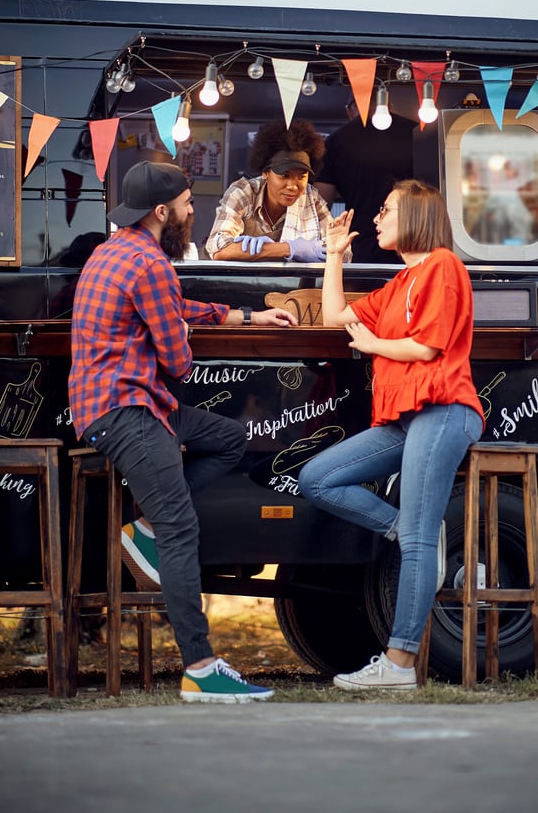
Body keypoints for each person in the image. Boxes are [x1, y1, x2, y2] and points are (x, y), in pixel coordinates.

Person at [68, 161, 297, 703]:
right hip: (127, 410)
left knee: (230, 439)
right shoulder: (152, 266)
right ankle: (199, 667)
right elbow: (177, 362)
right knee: (182, 530)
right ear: (162, 211)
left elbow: (171, 309)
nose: (196, 211)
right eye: (190, 203)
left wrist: (244, 316)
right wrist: (181, 335)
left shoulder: (114, 251)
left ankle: (143, 527)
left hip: (120, 404)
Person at [298, 180, 485, 691]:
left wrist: (375, 343)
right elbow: (337, 316)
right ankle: (407, 529)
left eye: (386, 210)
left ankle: (400, 666)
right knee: (318, 478)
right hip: (407, 416)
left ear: (418, 216)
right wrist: (333, 254)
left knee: (421, 539)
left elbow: (426, 350)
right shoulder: (401, 281)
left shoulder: (443, 266)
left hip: (443, 409)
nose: (377, 218)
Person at [205, 118, 350, 262]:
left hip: (296, 285)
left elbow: (342, 252)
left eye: (301, 176)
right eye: (284, 176)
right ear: (265, 172)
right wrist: (291, 248)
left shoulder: (311, 198)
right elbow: (218, 249)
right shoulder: (244, 193)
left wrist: (332, 246)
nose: (293, 186)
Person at [314, 96, 416, 264]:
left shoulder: (337, 140)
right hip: (413, 244)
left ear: (350, 109)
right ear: (389, 105)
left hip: (360, 246)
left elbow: (320, 203)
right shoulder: (417, 132)